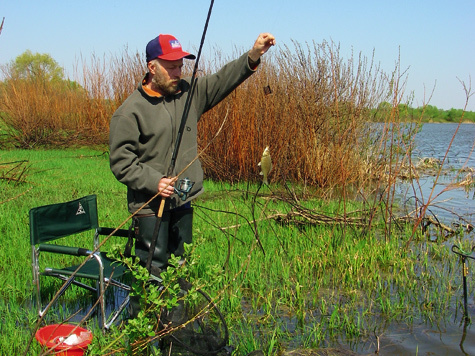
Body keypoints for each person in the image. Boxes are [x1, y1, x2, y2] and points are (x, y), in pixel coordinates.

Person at [109, 32, 275, 282]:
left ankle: (177, 319)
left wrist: (253, 55)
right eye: (171, 67)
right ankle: (148, 319)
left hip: (182, 198)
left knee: (180, 268)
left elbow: (223, 79)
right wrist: (155, 182)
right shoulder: (129, 112)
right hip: (149, 206)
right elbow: (122, 162)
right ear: (152, 67)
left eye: (180, 66)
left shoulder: (189, 93)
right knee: (151, 272)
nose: (178, 72)